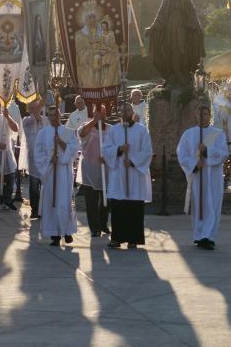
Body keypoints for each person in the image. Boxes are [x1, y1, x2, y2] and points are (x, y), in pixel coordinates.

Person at [177, 103, 229, 250]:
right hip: (198, 176)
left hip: (213, 176)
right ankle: (199, 235)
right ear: (196, 116)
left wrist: (207, 151)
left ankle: (210, 236)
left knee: (212, 204)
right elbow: (182, 154)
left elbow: (224, 153)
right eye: (199, 114)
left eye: (205, 114)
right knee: (199, 206)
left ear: (209, 115)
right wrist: (194, 164)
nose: (202, 117)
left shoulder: (218, 133)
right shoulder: (189, 134)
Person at [102, 101, 153, 249]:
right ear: (119, 114)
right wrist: (119, 149)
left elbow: (147, 151)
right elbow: (106, 149)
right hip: (119, 174)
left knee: (134, 208)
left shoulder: (142, 130)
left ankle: (133, 239)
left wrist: (132, 161)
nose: (125, 113)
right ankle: (117, 238)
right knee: (119, 208)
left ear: (133, 112)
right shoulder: (114, 130)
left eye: (128, 110)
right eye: (122, 111)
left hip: (135, 175)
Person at [33, 101, 78, 246]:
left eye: (55, 115)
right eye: (50, 115)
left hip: (64, 172)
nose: (53, 118)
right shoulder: (43, 133)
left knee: (64, 201)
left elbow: (74, 150)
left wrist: (61, 143)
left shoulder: (68, 131)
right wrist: (48, 161)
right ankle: (55, 234)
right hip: (51, 172)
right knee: (51, 202)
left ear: (60, 116)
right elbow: (38, 153)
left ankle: (67, 231)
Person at [77, 104, 110, 237]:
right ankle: (95, 228)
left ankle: (103, 223)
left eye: (102, 113)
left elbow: (114, 144)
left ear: (106, 115)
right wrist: (94, 121)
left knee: (106, 201)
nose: (100, 115)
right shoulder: (87, 126)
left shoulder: (111, 129)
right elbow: (82, 134)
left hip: (106, 168)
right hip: (90, 169)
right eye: (97, 112)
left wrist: (108, 157)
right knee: (91, 200)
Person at [22, 99, 50, 220]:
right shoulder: (26, 121)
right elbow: (34, 121)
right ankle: (34, 210)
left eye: (36, 107)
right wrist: (36, 111)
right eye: (32, 108)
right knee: (34, 185)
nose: (34, 110)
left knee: (45, 185)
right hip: (33, 159)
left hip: (45, 159)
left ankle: (43, 210)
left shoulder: (46, 121)